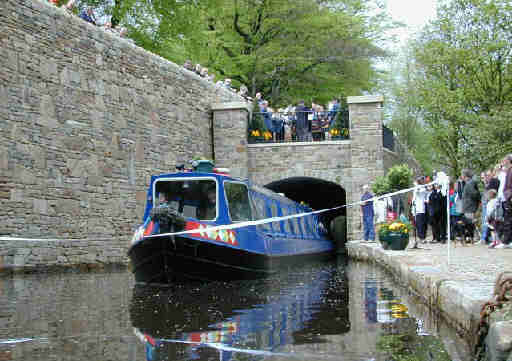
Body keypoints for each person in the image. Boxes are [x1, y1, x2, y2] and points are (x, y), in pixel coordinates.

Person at [461, 168, 481, 242]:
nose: (461, 176)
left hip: (470, 206)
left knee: (471, 223)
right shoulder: (468, 183)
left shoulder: (470, 183)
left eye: (462, 175)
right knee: (470, 223)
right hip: (468, 206)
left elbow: (474, 194)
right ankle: (471, 237)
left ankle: (476, 237)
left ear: (465, 175)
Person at [497, 154, 512, 249]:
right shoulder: (508, 170)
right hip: (506, 197)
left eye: (505, 160)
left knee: (508, 220)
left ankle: (506, 241)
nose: (503, 162)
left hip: (509, 197)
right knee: (508, 219)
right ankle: (508, 240)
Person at [412, 176, 429, 247]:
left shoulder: (424, 188)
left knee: (423, 224)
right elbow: (417, 193)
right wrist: (416, 185)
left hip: (423, 208)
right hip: (418, 208)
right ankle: (421, 237)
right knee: (419, 224)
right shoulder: (417, 188)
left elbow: (425, 193)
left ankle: (423, 237)